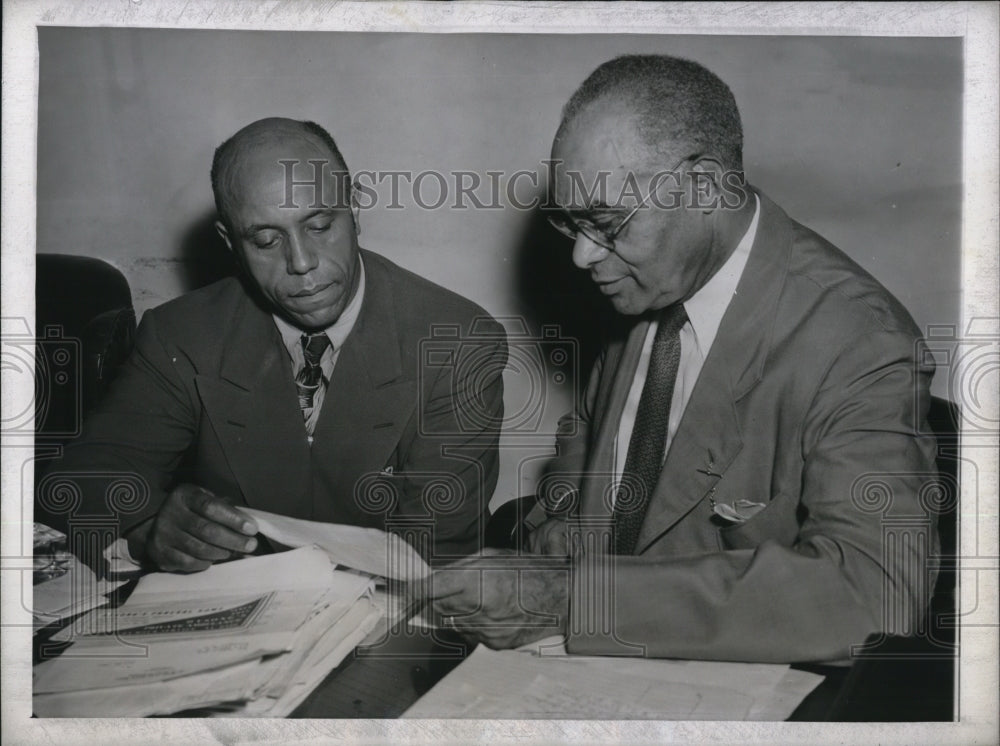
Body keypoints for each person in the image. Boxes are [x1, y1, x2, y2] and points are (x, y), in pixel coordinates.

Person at [428, 55, 939, 663]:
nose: (582, 257)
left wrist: (570, 598)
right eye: (571, 224)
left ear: (702, 188)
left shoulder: (860, 341)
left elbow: (875, 595)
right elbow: (590, 438)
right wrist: (557, 531)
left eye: (606, 223)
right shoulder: (649, 281)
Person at [38, 117, 507, 573]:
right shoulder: (180, 333)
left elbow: (440, 549)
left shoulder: (457, 339)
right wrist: (146, 525)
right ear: (230, 243)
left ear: (356, 208)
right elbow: (81, 476)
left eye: (320, 226)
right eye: (265, 240)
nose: (301, 263)